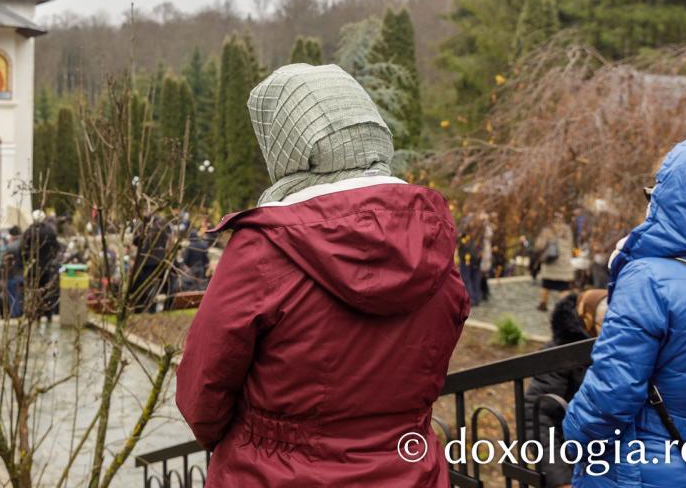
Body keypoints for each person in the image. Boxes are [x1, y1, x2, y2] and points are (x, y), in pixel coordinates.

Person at [176, 64, 468, 487]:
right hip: (408, 470)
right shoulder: (429, 237)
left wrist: (253, 438)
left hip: (274, 474)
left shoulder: (265, 248)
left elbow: (203, 390)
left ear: (287, 146)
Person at [563, 136, 686, 487]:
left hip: (637, 467)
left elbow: (611, 392)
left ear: (676, 200)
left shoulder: (649, 278)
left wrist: (573, 437)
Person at [523, 290, 606, 488]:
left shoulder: (624, 350)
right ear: (587, 321)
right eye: (605, 323)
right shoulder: (561, 353)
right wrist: (561, 479)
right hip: (575, 463)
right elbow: (537, 415)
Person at [535, 214, 575, 311]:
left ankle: (543, 304)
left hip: (550, 265)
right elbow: (571, 245)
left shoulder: (547, 230)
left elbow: (539, 245)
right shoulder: (567, 230)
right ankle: (565, 307)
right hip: (563, 265)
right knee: (564, 288)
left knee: (546, 285)